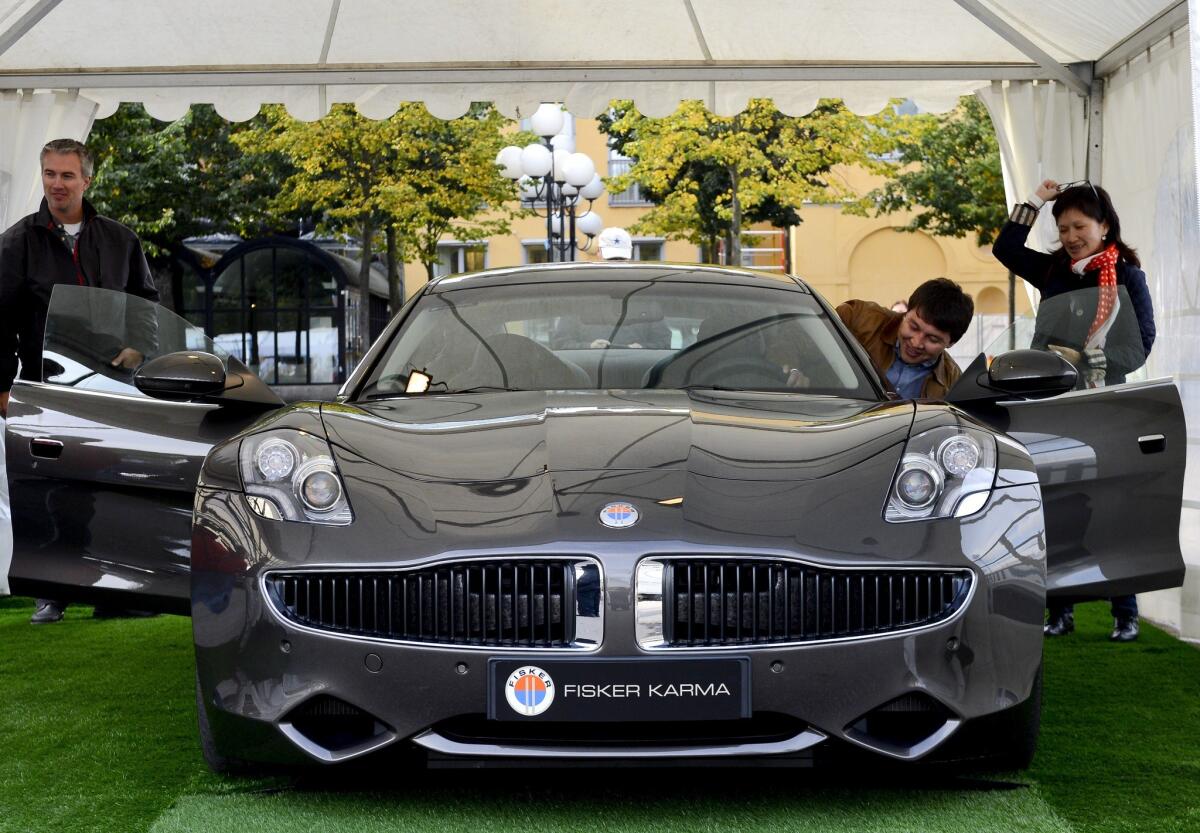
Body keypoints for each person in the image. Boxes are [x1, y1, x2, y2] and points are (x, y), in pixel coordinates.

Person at [0, 138, 159, 624]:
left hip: (112, 387)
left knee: (111, 488)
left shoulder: (121, 239)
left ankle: (115, 592)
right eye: (49, 174)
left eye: (67, 175)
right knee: (48, 490)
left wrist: (138, 348)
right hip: (45, 387)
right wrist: (3, 389)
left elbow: (147, 307)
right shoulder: (15, 243)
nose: (57, 184)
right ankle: (52, 592)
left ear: (87, 180)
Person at [992, 178, 1153, 643]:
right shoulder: (1053, 271)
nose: (1070, 236)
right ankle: (1059, 611)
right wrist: (1035, 202)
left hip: (1105, 404)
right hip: (1051, 405)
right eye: (1062, 228)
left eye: (1079, 226)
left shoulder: (1128, 276)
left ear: (1105, 226)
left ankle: (1126, 613)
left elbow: (1142, 344)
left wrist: (1088, 360)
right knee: (1055, 509)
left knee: (1110, 509)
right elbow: (1006, 248)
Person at [835, 278, 975, 400]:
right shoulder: (858, 318)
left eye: (932, 339)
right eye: (913, 327)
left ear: (951, 343)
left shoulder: (953, 385)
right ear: (906, 313)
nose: (916, 342)